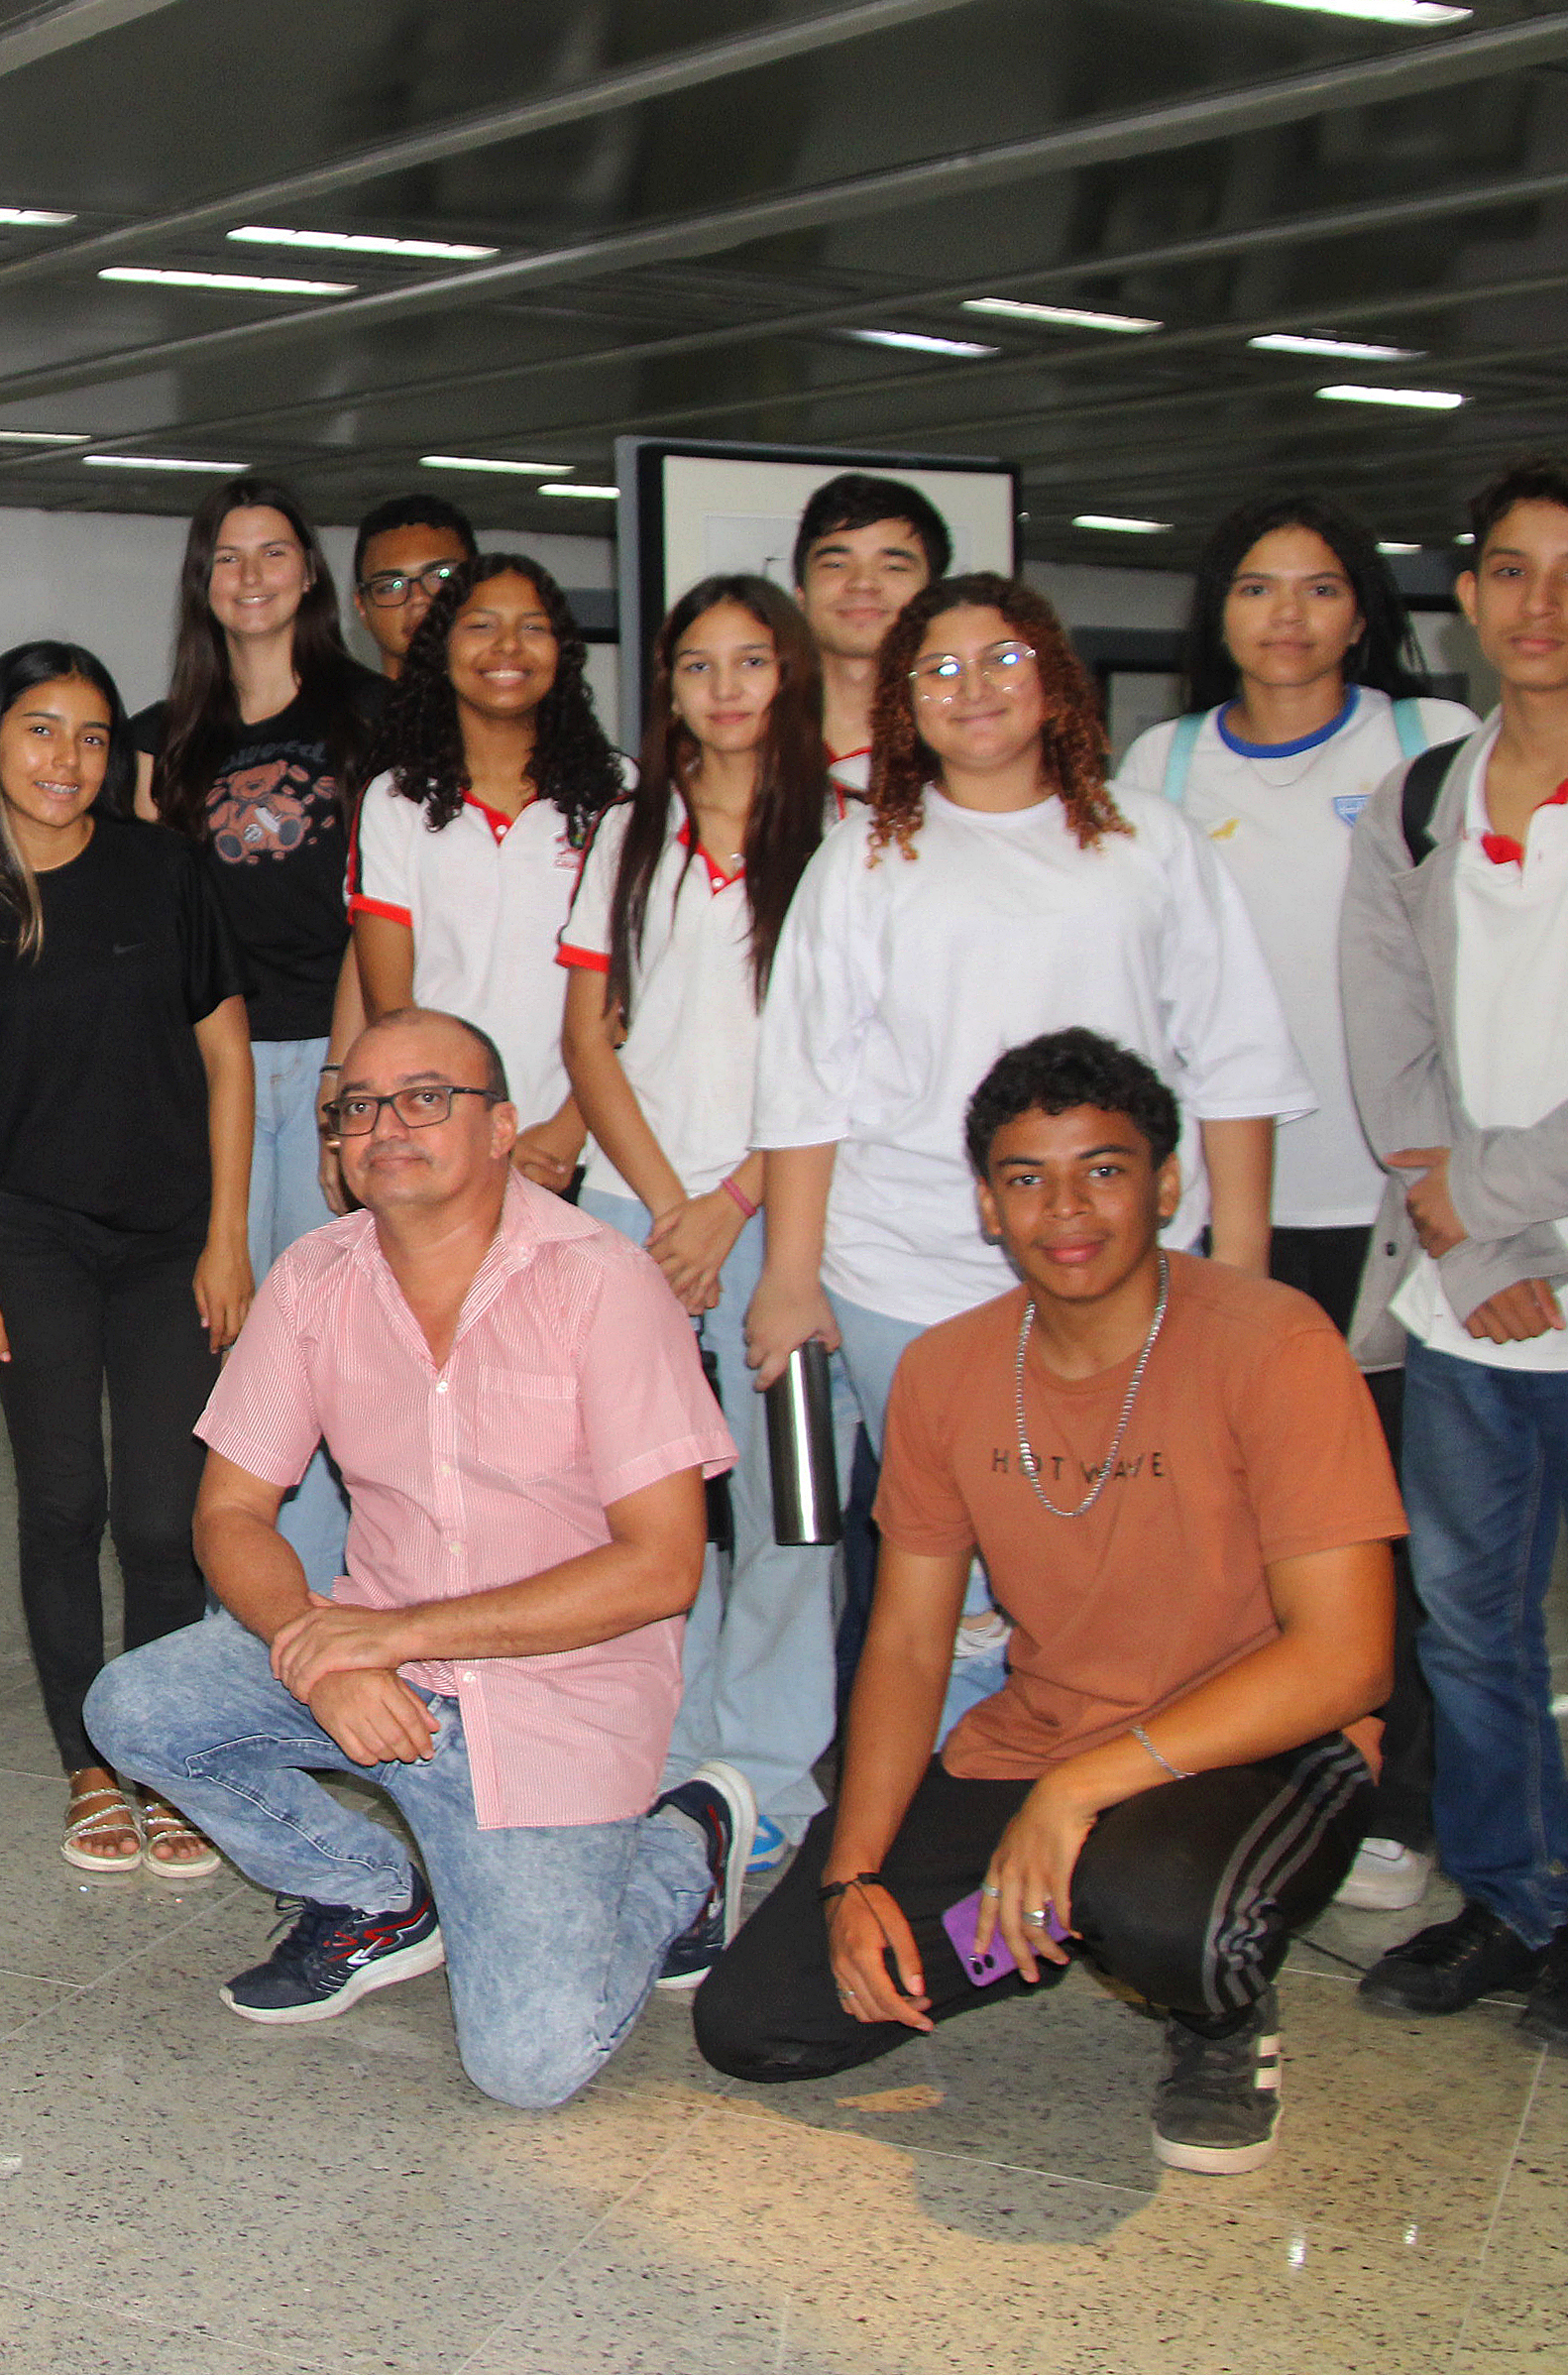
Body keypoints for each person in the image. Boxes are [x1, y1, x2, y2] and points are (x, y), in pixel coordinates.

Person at [697, 1031, 1398, 2177]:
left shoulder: (1273, 1342)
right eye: (1027, 1177)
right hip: (1042, 1737)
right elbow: (913, 1640)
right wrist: (853, 1871)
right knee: (761, 2022)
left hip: (1258, 1739)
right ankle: (1046, 1916)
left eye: (1104, 1170)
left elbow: (1349, 1658)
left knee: (1175, 1918)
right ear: (988, 1204)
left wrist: (1078, 1789)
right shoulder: (948, 1370)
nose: (1066, 1208)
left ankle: (1215, 2009)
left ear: (1167, 1185)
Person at [84, 1009, 750, 2109]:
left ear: (501, 1129)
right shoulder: (314, 1277)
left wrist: (388, 1638)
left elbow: (661, 1567)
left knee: (530, 2064)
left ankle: (682, 1848)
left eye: (426, 1097)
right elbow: (231, 1514)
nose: (388, 1124)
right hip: (374, 1673)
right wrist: (327, 1657)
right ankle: (374, 1897)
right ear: (338, 1144)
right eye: (360, 1105)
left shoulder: (604, 1282)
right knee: (137, 1706)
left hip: (551, 1703)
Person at [747, 576, 1308, 1699]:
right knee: (939, 1571)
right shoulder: (862, 862)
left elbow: (1236, 1056)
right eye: (939, 670)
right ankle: (954, 1807)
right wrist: (790, 1276)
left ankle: (1099, 1789)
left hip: (1124, 1268)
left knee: (1114, 1541)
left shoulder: (1151, 840)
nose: (974, 689)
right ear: (905, 707)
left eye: (1001, 659)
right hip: (904, 1268)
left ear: (1055, 680)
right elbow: (807, 1084)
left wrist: (1238, 1260)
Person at [1344, 451, 1568, 2057]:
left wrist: (1495, 1203)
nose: (1536, 602)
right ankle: (1498, 1896)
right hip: (1456, 1302)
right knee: (1464, 1623)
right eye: (1505, 570)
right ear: (1467, 594)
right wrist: (1469, 1232)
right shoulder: (1412, 803)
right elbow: (1383, 1049)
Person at [1123, 497, 1475, 1915]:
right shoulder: (1166, 760)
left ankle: (1398, 1795)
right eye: (1258, 589)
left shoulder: (1427, 748)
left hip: (1394, 1204)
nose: (1287, 617)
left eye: (1320, 590)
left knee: (1388, 1520)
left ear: (1363, 613)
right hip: (1212, 1206)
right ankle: (1239, 1770)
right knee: (1219, 1518)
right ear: (1218, 612)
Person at [0, 641, 254, 1879]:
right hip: (31, 1233)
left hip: (173, 1235)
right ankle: (88, 1758)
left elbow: (229, 1058)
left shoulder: (162, 868)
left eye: (88, 733)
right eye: (38, 728)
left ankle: (163, 1754)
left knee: (166, 1518)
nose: (64, 758)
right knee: (64, 1502)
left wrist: (230, 1233)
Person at [559, 575, 836, 1867]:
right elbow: (589, 1043)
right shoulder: (629, 831)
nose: (725, 690)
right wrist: (670, 1208)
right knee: (645, 1516)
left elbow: (849, 1056)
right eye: (697, 667)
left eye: (752, 662)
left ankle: (769, 1775)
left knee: (791, 1516)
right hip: (635, 1220)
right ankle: (664, 1762)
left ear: (792, 676)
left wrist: (732, 1208)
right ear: (665, 691)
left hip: (789, 1223)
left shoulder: (850, 834)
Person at [127, 479, 392, 1588]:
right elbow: (147, 935)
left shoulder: (371, 720)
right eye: (227, 557)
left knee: (332, 1347)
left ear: (309, 572)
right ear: (203, 580)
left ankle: (336, 1595)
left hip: (331, 1055)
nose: (249, 576)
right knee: (223, 1343)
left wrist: (350, 1087)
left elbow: (387, 918)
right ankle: (244, 1598)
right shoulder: (159, 740)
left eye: (273, 552)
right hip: (209, 1077)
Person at [349, 551, 629, 1194]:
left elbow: (635, 997)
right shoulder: (395, 801)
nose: (508, 646)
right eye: (480, 626)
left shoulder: (622, 793)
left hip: (597, 1145)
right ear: (441, 651)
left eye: (532, 627)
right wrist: (446, 1132)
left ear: (561, 653)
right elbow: (393, 1010)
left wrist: (568, 1130)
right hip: (450, 1149)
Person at [793, 473, 950, 801]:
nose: (863, 584)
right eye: (836, 564)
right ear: (800, 595)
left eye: (893, 567)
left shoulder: (962, 747)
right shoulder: (748, 742)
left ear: (933, 596)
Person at [349, 491, 477, 676]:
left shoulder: (520, 702)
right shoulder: (334, 705)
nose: (418, 598)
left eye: (441, 576)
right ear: (362, 608)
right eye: (392, 586)